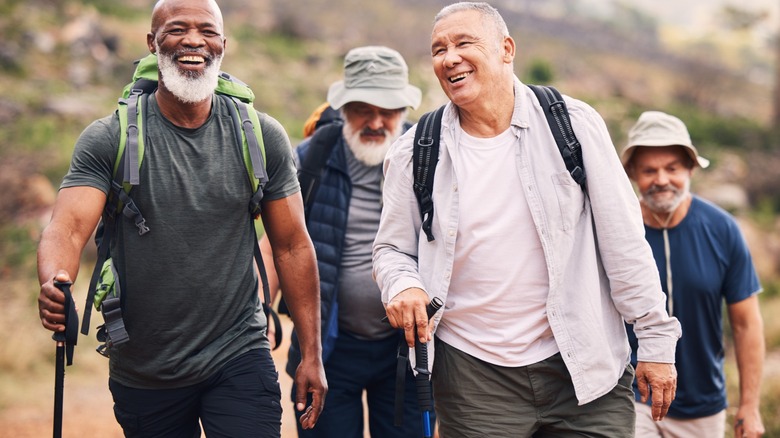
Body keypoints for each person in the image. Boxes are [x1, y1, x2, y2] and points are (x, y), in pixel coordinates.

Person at [372, 3, 682, 436]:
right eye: (438, 49)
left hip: (584, 366)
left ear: (506, 49)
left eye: (464, 43)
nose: (449, 58)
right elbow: (391, 249)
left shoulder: (572, 125)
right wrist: (403, 282)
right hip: (473, 376)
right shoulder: (414, 152)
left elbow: (624, 242)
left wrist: (656, 340)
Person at [36, 0, 326, 436]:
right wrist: (55, 278)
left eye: (207, 31)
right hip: (145, 365)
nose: (194, 40)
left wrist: (311, 354)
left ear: (223, 45)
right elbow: (67, 228)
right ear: (152, 43)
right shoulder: (110, 137)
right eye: (177, 30)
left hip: (239, 350)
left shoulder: (261, 136)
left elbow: (292, 245)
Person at [260, 45, 428, 437]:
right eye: (362, 108)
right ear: (343, 107)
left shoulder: (427, 160)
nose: (375, 121)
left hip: (406, 350)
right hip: (327, 349)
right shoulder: (310, 159)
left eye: (387, 110)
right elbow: (275, 247)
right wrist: (259, 313)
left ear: (403, 110)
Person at [621, 111, 765, 438]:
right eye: (649, 170)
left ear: (690, 169)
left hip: (703, 406)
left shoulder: (723, 229)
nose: (661, 179)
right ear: (632, 174)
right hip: (632, 396)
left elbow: (746, 323)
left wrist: (749, 406)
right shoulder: (617, 230)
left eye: (672, 168)